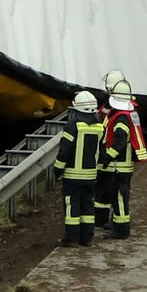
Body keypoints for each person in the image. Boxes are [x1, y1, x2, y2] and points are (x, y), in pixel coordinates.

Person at [53, 90, 105, 247]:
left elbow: (65, 151)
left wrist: (57, 170)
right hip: (90, 176)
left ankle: (71, 238)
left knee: (71, 206)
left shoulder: (72, 126)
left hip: (72, 176)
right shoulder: (99, 126)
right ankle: (87, 238)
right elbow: (101, 151)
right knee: (88, 206)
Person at [100, 77, 147, 238]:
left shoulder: (120, 117)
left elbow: (120, 141)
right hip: (124, 166)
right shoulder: (128, 113)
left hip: (119, 166)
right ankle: (118, 225)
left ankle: (121, 231)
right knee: (119, 197)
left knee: (119, 198)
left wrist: (108, 156)